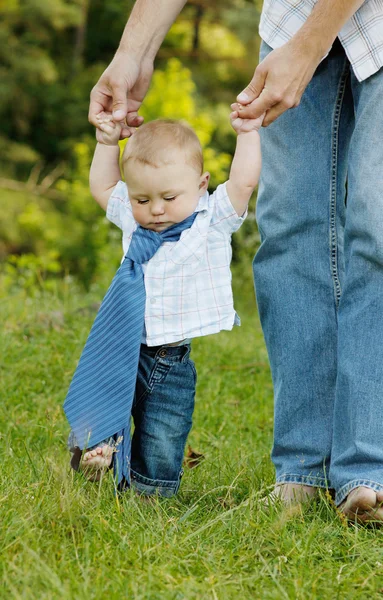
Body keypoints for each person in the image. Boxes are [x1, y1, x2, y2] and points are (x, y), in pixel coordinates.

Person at [88, 0, 383, 522]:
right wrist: (133, 51)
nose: (154, 210)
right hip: (291, 20)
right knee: (289, 227)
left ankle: (368, 470)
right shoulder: (135, 212)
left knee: (376, 227)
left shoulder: (207, 209)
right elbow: (108, 187)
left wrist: (313, 45)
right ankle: (301, 473)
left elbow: (236, 187)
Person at [65, 112, 263, 495]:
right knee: (108, 395)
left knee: (164, 431)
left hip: (172, 360)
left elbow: (244, 181)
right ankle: (101, 447)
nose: (155, 209)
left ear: (201, 184)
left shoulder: (212, 218)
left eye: (169, 198)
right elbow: (103, 186)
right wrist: (107, 144)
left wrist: (247, 133)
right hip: (125, 347)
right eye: (142, 198)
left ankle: (149, 494)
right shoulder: (133, 220)